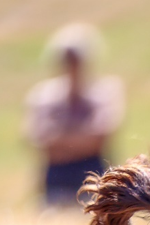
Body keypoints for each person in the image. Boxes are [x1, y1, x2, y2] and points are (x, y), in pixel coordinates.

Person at [24, 24, 124, 205]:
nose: (72, 65)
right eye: (67, 60)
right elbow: (37, 139)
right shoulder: (43, 96)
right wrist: (82, 135)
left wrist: (60, 137)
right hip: (57, 180)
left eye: (75, 59)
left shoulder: (104, 92)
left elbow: (102, 135)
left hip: (93, 176)